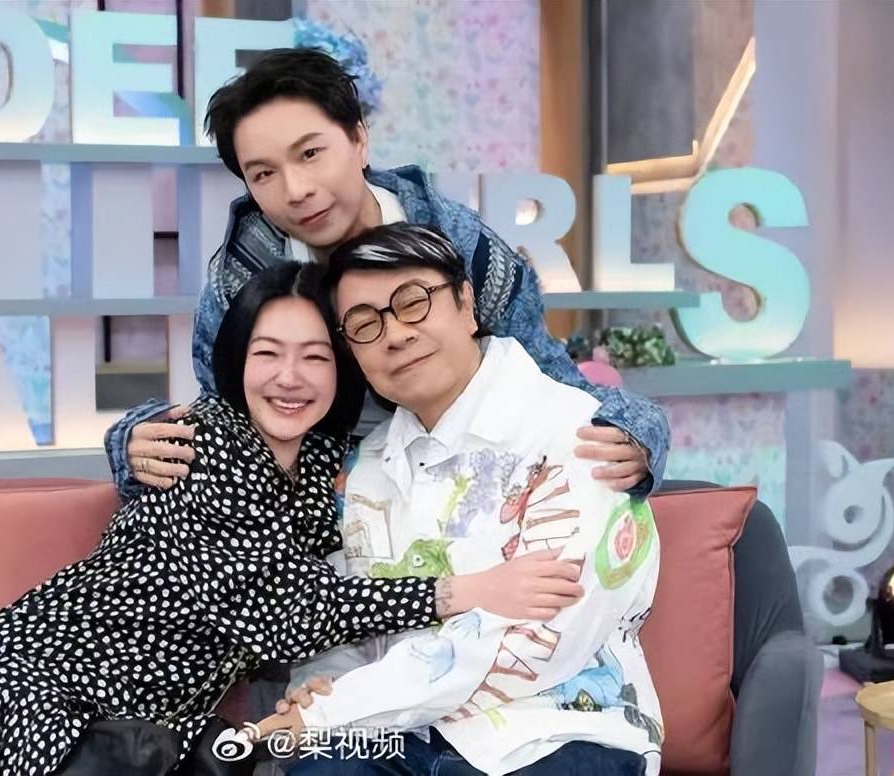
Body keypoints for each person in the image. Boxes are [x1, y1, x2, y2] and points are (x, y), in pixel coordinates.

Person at [0, 262, 587, 776]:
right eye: (267, 354)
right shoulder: (206, 441)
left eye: (315, 357)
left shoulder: (328, 462)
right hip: (45, 678)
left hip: (149, 720)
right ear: (236, 361)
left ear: (342, 369)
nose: (290, 377)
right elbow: (281, 613)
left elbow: (334, 592)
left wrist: (329, 682)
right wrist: (465, 590)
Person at [106, 48, 670, 505]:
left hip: (463, 486)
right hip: (315, 511)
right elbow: (224, 417)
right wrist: (133, 443)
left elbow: (552, 382)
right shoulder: (242, 279)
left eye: (310, 153)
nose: (296, 190)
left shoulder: (461, 246)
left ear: (358, 139)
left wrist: (638, 433)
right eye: (264, 174)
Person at [257, 224, 662, 776]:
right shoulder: (362, 470)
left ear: (466, 304)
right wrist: (318, 689)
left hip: (557, 727)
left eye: (412, 303)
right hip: (398, 733)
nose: (395, 335)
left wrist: (338, 708)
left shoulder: (580, 433)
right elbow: (349, 617)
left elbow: (537, 641)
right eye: (365, 324)